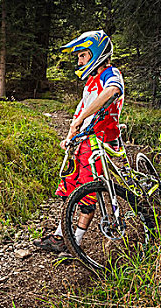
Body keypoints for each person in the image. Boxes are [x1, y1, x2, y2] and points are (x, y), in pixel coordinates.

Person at [34, 30, 125, 253]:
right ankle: (59, 236)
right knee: (70, 186)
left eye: (83, 55)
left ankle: (75, 241)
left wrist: (83, 119)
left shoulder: (110, 74)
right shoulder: (90, 83)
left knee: (86, 190)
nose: (79, 61)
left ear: (95, 54)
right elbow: (80, 111)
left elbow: (113, 91)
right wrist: (71, 135)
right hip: (84, 140)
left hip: (99, 141)